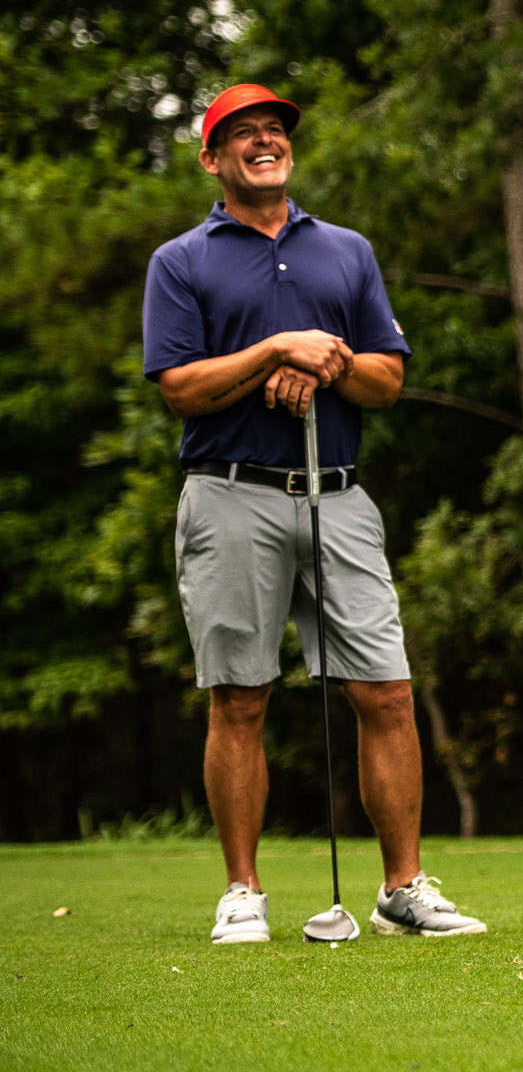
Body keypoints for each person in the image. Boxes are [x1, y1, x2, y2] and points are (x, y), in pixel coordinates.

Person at [143, 83, 485, 943]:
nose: (265, 141)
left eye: (275, 130)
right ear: (212, 158)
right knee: (239, 698)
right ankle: (242, 893)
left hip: (340, 497)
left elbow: (386, 378)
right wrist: (272, 352)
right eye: (243, 133)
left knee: (388, 692)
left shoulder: (345, 250)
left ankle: (401, 890)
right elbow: (181, 388)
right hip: (229, 496)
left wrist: (322, 360)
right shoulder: (181, 261)